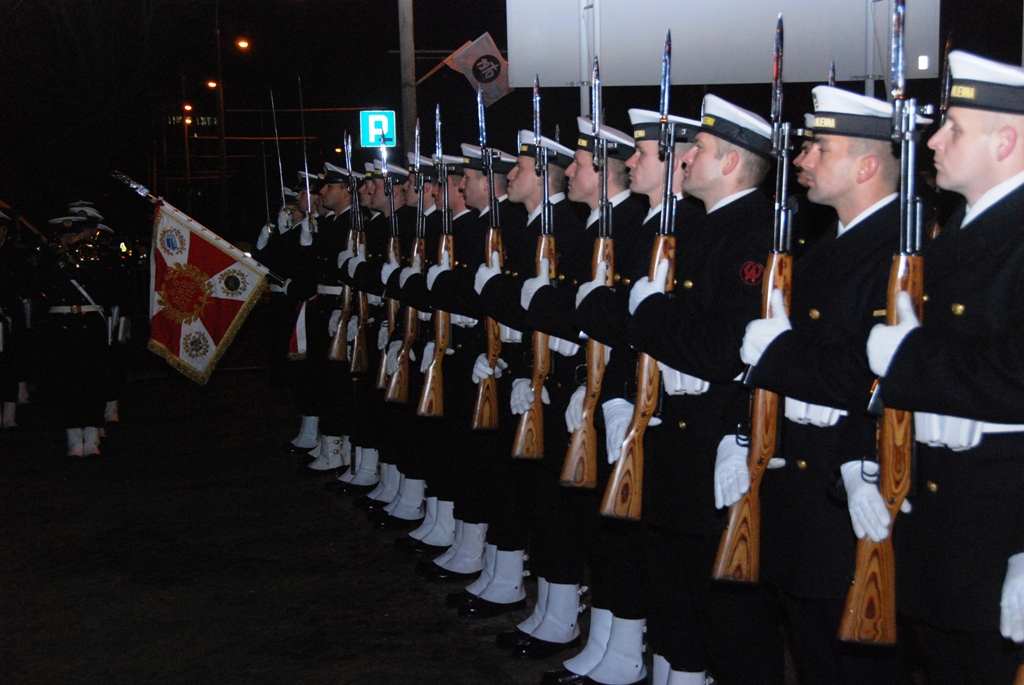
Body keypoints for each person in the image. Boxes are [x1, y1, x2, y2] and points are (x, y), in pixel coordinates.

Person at [740, 85, 915, 684]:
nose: (800, 159)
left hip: (847, 495)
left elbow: (877, 378)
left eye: (820, 147)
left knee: (856, 668)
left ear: (867, 165)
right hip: (802, 497)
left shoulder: (900, 254)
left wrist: (778, 356)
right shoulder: (820, 252)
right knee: (814, 654)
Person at [866, 50, 1024, 683]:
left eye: (954, 127)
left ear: (1007, 140)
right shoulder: (959, 231)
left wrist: (911, 359)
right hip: (946, 526)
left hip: (999, 531)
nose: (933, 139)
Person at [625, 94, 783, 685]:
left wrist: (651, 316)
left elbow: (722, 349)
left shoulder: (751, 235)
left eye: (701, 149)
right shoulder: (699, 228)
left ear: (734, 164)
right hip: (678, 434)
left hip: (717, 437)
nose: (685, 157)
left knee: (731, 615)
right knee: (678, 597)